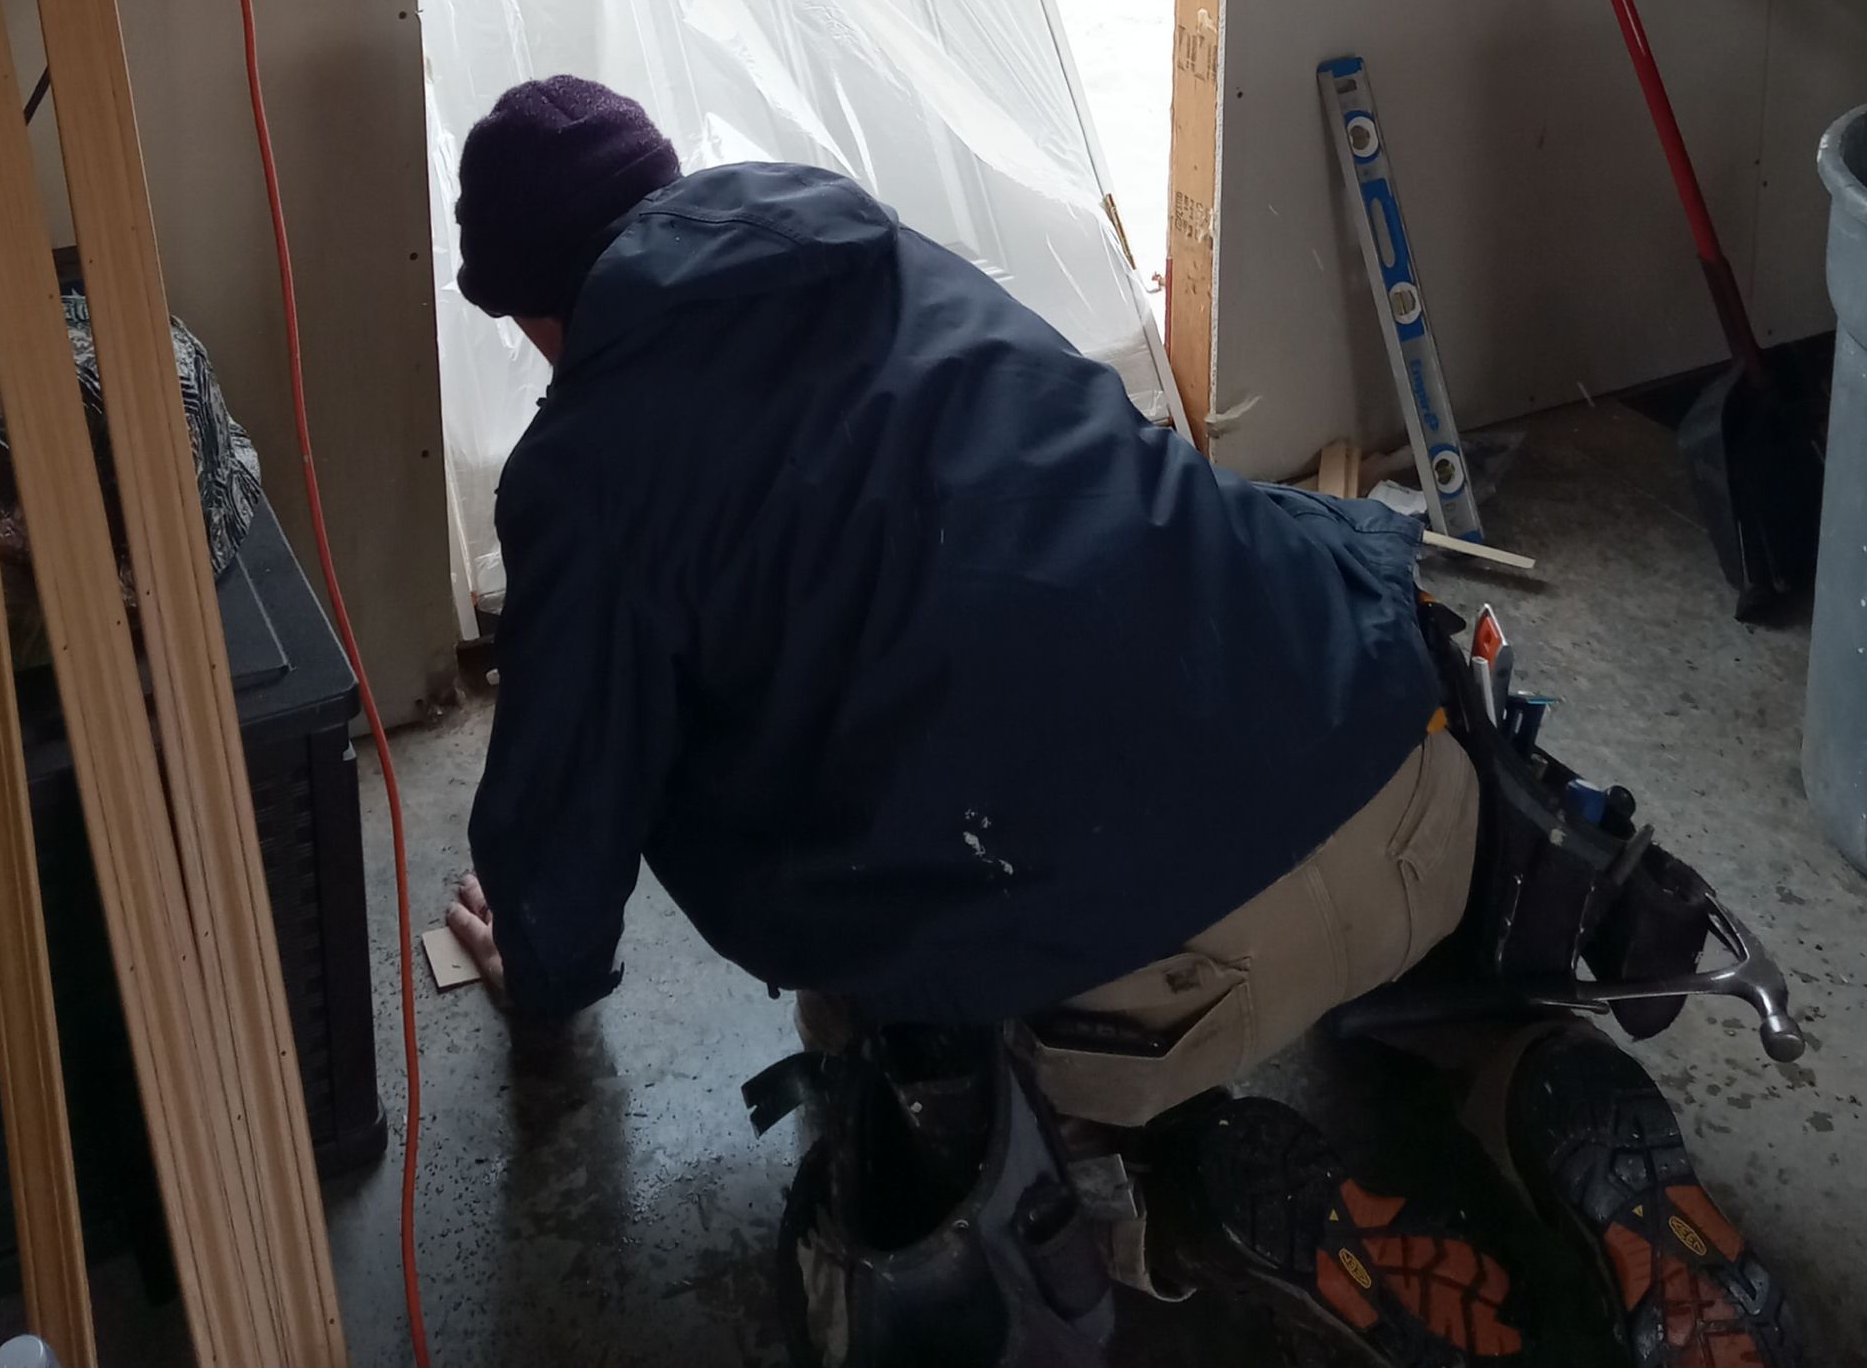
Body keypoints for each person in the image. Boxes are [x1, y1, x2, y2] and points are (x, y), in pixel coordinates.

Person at [445, 75, 1800, 1368]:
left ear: (532, 312)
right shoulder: (858, 238)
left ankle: (1149, 1196)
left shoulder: (583, 472)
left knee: (886, 1022)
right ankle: (1543, 1088)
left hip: (1144, 991)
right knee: (1357, 864)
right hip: (1410, 792)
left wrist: (545, 965)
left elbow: (566, 798)